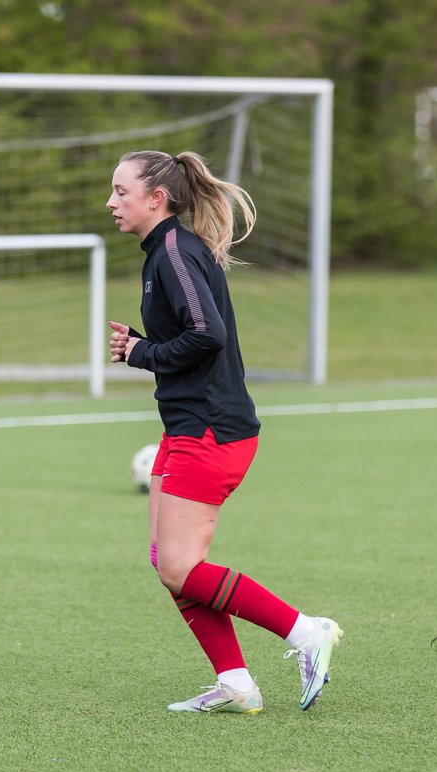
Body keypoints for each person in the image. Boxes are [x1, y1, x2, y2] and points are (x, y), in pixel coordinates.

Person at [106, 150, 342, 714]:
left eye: (120, 191)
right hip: (187, 426)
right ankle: (236, 682)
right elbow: (191, 335)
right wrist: (144, 345)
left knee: (181, 566)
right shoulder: (162, 252)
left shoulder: (173, 252)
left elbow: (207, 334)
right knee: (169, 562)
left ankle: (305, 631)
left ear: (155, 198)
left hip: (213, 431)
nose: (111, 202)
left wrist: (144, 353)